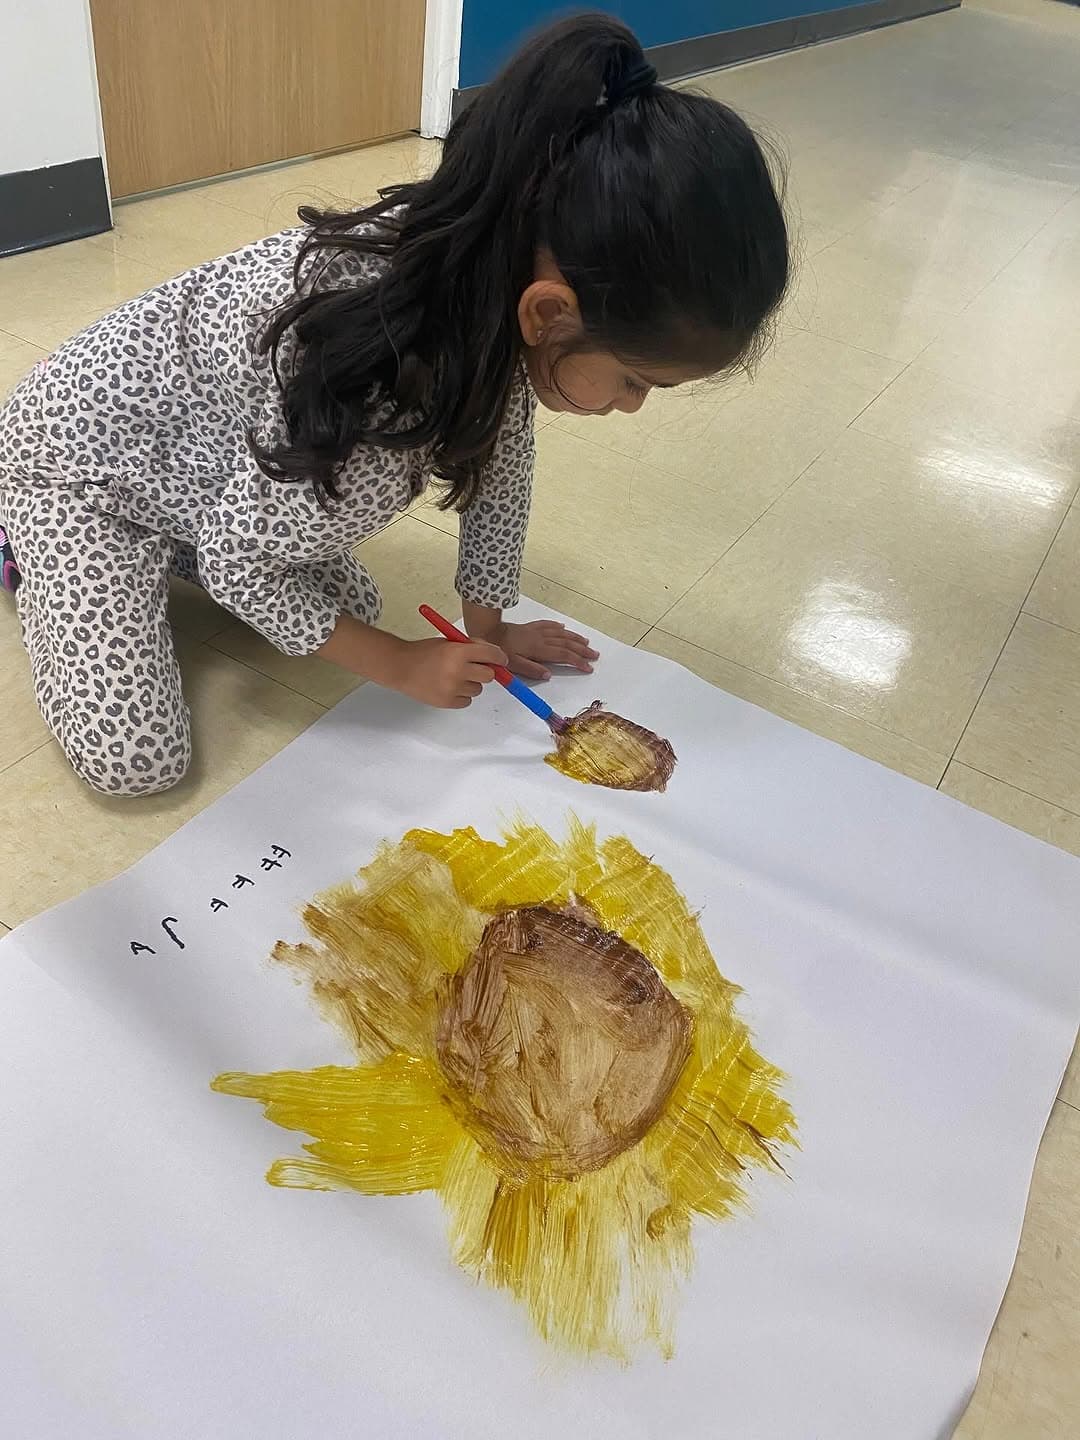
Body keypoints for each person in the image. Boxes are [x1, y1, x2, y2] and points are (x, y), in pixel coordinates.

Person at [0, 13, 788, 798]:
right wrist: (398, 662)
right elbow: (243, 567)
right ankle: (22, 536)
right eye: (636, 381)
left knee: (352, 600)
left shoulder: (490, 269)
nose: (634, 406)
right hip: (73, 467)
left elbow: (502, 469)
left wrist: (490, 629)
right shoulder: (385, 402)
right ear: (548, 313)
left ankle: (184, 532)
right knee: (137, 761)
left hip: (189, 454)